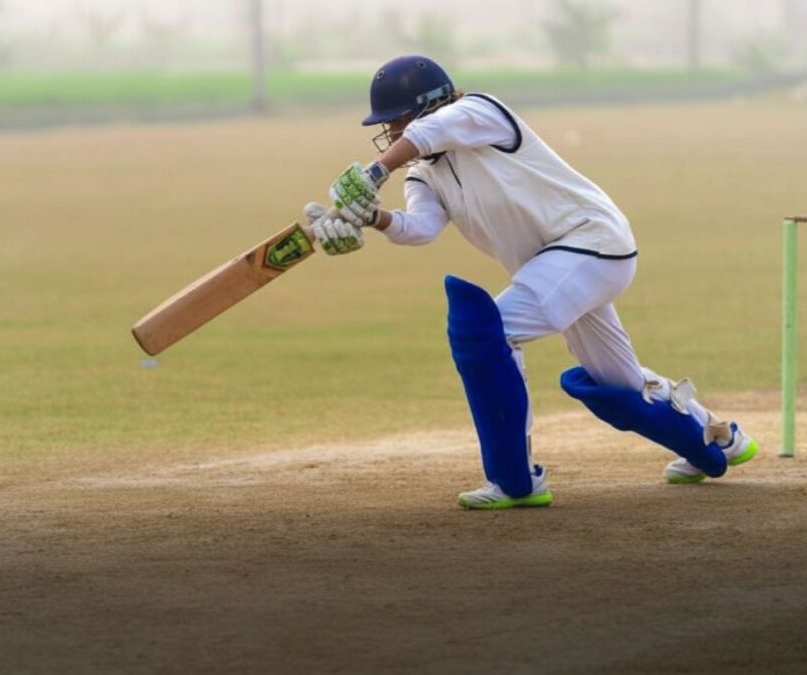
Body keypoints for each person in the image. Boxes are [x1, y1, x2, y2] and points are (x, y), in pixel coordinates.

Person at [304, 55, 758, 510]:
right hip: (556, 265)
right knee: (617, 381)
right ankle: (715, 440)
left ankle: (514, 479)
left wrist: (373, 173)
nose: (394, 133)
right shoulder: (425, 173)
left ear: (429, 105)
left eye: (397, 121)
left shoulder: (481, 112)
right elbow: (419, 228)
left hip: (592, 241)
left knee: (489, 332)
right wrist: (372, 218)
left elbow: (429, 133)